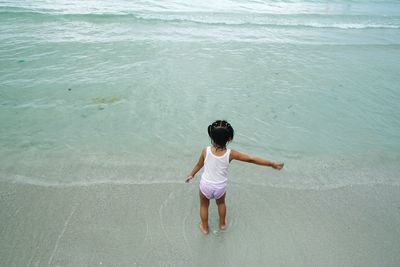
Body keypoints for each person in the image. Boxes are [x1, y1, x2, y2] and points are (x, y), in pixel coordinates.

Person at [185, 120, 284, 234]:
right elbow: (251, 159)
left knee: (204, 206)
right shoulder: (231, 154)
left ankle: (205, 228)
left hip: (205, 185)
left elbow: (199, 164)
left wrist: (191, 174)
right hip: (220, 186)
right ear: (229, 138)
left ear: (211, 136)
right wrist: (271, 164)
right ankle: (222, 224)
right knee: (221, 204)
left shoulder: (205, 151)